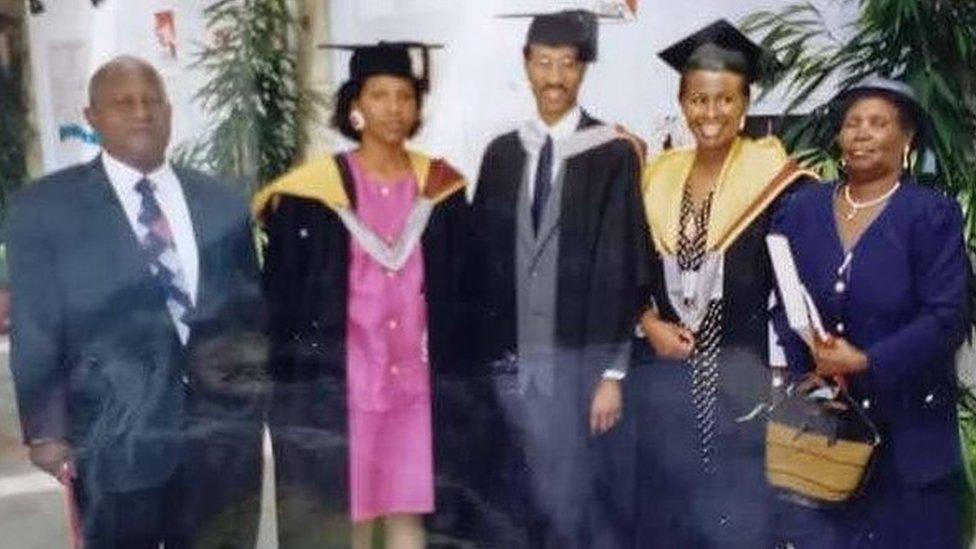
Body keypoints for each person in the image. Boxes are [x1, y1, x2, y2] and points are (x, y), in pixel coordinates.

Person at [7, 56, 265, 548]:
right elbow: (35, 323)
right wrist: (45, 427)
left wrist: (254, 404)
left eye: (152, 101)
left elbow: (249, 316)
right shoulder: (45, 210)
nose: (141, 112)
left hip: (221, 442)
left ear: (169, 112)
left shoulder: (223, 202)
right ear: (92, 117)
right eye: (123, 103)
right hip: (113, 437)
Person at [253, 42, 473, 549]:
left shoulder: (440, 188)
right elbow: (281, 300)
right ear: (355, 105)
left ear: (417, 107)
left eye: (404, 96)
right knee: (344, 519)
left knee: (407, 514)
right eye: (379, 96)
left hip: (416, 391)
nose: (393, 109)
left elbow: (462, 291)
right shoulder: (312, 194)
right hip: (343, 388)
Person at [469, 10, 652, 548]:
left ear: (583, 71)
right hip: (511, 368)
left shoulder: (612, 154)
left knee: (576, 499)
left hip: (581, 367)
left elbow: (625, 265)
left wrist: (613, 376)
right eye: (543, 63)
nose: (554, 77)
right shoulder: (502, 154)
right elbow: (481, 265)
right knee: (515, 496)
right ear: (526, 66)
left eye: (567, 65)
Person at [634, 19, 817, 548]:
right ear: (682, 102)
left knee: (739, 514)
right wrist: (647, 322)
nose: (710, 114)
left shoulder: (778, 182)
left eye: (724, 101)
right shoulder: (656, 177)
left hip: (744, 374)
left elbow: (796, 285)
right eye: (697, 100)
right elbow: (629, 270)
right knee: (670, 509)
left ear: (744, 103)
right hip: (667, 376)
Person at [770, 77, 968, 548]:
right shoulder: (801, 210)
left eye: (878, 123)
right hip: (826, 441)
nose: (860, 133)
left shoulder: (930, 214)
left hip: (911, 444)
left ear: (907, 140)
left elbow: (948, 316)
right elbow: (783, 301)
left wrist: (867, 362)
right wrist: (809, 364)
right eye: (851, 123)